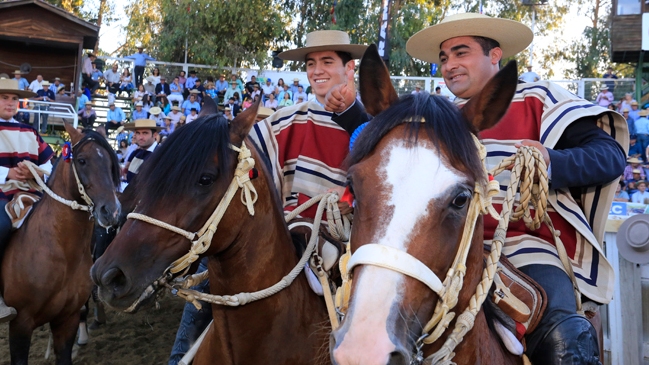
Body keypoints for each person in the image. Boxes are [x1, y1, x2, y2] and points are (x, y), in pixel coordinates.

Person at [405, 12, 627, 364]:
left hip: (526, 247)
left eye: (461, 53)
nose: (449, 65)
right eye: (444, 58)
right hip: (449, 250)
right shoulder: (437, 117)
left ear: (495, 55)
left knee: (563, 335)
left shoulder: (539, 97)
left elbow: (609, 156)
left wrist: (549, 161)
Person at [168, 30, 369, 365]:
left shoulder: (372, 125)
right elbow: (238, 165)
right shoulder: (285, 119)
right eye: (311, 63)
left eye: (327, 62)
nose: (317, 70)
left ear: (350, 69)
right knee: (215, 263)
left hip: (342, 244)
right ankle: (179, 358)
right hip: (281, 233)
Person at [0, 78, 54, 322]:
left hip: (33, 193)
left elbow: (49, 166)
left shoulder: (30, 131)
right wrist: (8, 173)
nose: (10, 103)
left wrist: (33, 171)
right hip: (2, 194)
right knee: (0, 226)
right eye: (4, 97)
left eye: (14, 98)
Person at [122, 119, 161, 184]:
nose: (140, 137)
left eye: (145, 133)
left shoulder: (160, 155)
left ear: (154, 135)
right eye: (138, 133)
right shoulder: (136, 152)